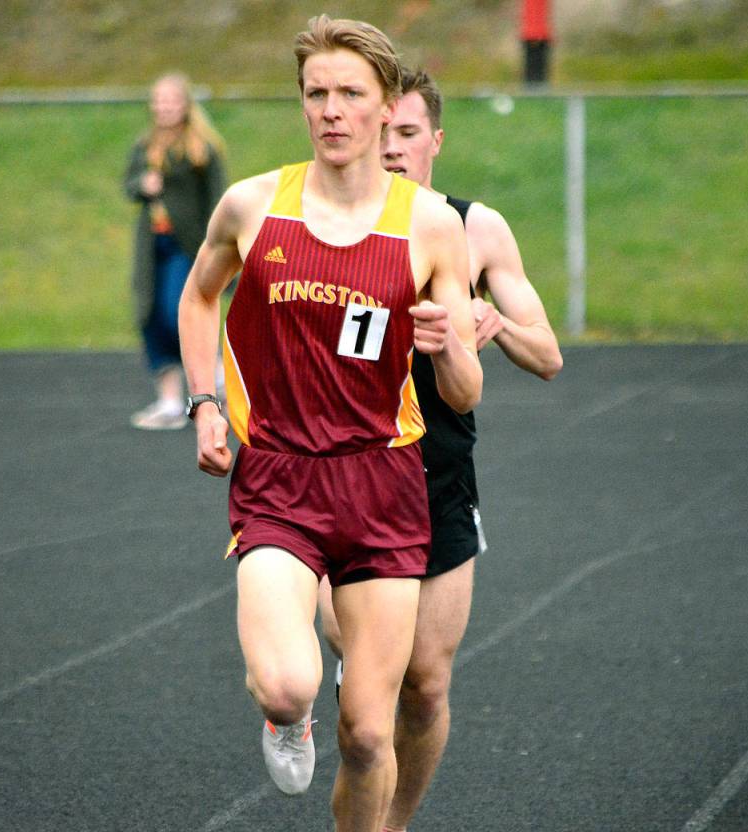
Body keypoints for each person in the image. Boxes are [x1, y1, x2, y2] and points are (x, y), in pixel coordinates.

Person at [178, 17, 482, 831]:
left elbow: (462, 391)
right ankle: (286, 717)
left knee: (371, 731)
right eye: (317, 94)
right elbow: (200, 293)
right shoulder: (253, 206)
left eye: (351, 94)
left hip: (384, 483)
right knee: (287, 681)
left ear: (387, 109)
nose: (332, 111)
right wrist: (204, 402)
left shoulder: (429, 225)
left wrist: (446, 344)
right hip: (279, 477)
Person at [317, 68, 563, 832]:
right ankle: (297, 685)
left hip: (439, 481)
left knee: (424, 685)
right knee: (369, 683)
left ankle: (391, 825)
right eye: (381, 133)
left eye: (408, 134)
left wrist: (495, 325)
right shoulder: (324, 223)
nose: (391, 150)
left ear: (435, 141)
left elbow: (549, 354)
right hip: (341, 475)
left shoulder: (476, 228)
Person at [124, 73, 227, 429]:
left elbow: (218, 197)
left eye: (171, 100)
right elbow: (129, 184)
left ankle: (213, 370)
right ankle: (169, 401)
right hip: (154, 244)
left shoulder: (202, 147)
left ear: (184, 105)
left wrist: (219, 245)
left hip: (188, 244)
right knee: (150, 315)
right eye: (159, 100)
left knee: (175, 311)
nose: (164, 106)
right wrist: (143, 184)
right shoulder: (144, 145)